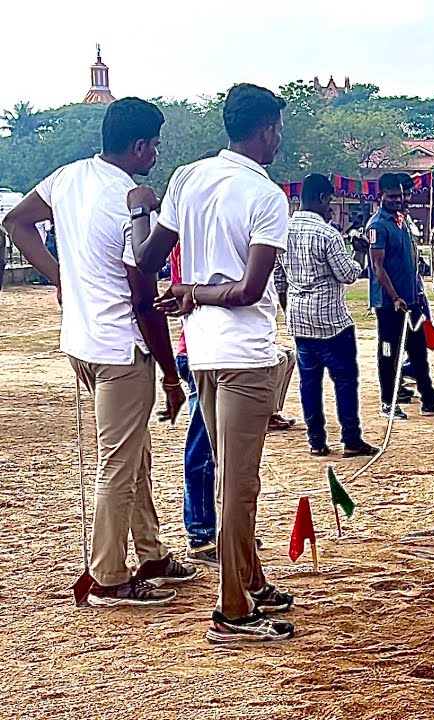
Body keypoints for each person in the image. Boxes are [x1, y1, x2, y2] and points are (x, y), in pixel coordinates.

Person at [3, 97, 197, 608]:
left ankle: (151, 553)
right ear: (139, 146)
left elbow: (16, 222)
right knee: (119, 464)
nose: (156, 154)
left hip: (82, 344)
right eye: (154, 145)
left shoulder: (68, 177)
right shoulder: (132, 202)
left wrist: (58, 275)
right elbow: (143, 297)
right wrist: (172, 377)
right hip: (119, 350)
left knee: (134, 457)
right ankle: (109, 575)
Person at [131, 84, 296, 643]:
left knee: (229, 472)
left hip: (201, 349)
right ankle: (232, 610)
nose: (278, 137)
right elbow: (250, 289)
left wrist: (142, 216)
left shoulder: (188, 177)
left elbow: (149, 258)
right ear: (267, 128)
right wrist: (199, 290)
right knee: (239, 484)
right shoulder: (267, 196)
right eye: (277, 128)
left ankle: (250, 578)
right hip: (245, 353)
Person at [278, 174, 377, 459]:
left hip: (299, 318)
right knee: (345, 380)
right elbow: (347, 275)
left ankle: (316, 441)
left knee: (309, 382)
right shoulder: (327, 234)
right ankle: (351, 439)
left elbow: (279, 278)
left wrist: (290, 311)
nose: (330, 206)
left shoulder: (282, 230)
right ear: (322, 198)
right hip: (331, 321)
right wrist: (359, 254)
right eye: (329, 200)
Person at [365, 173, 434, 420]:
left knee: (418, 350)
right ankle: (388, 402)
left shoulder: (401, 221)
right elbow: (377, 266)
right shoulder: (377, 225)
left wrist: (415, 291)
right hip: (389, 304)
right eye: (392, 197)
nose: (399, 200)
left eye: (401, 196)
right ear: (381, 196)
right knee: (388, 351)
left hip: (411, 301)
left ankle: (429, 400)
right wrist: (394, 297)